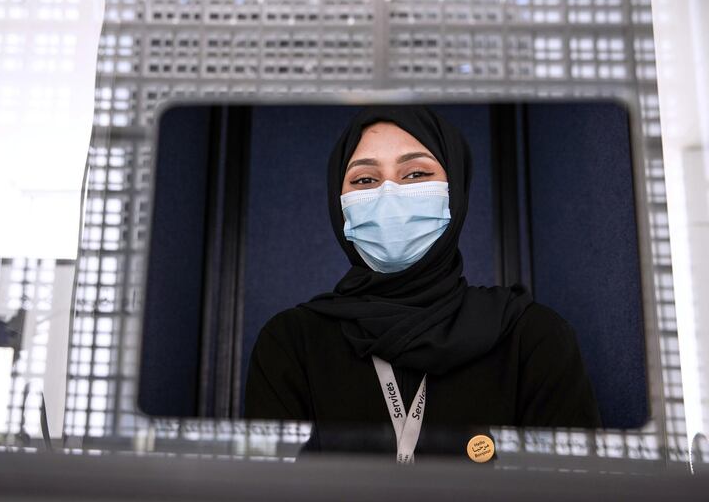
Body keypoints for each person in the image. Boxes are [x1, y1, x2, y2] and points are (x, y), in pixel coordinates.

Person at [243, 106, 601, 460]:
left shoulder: (532, 339)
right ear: (339, 207)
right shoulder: (290, 344)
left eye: (415, 174)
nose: (388, 194)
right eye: (365, 180)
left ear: (455, 192)